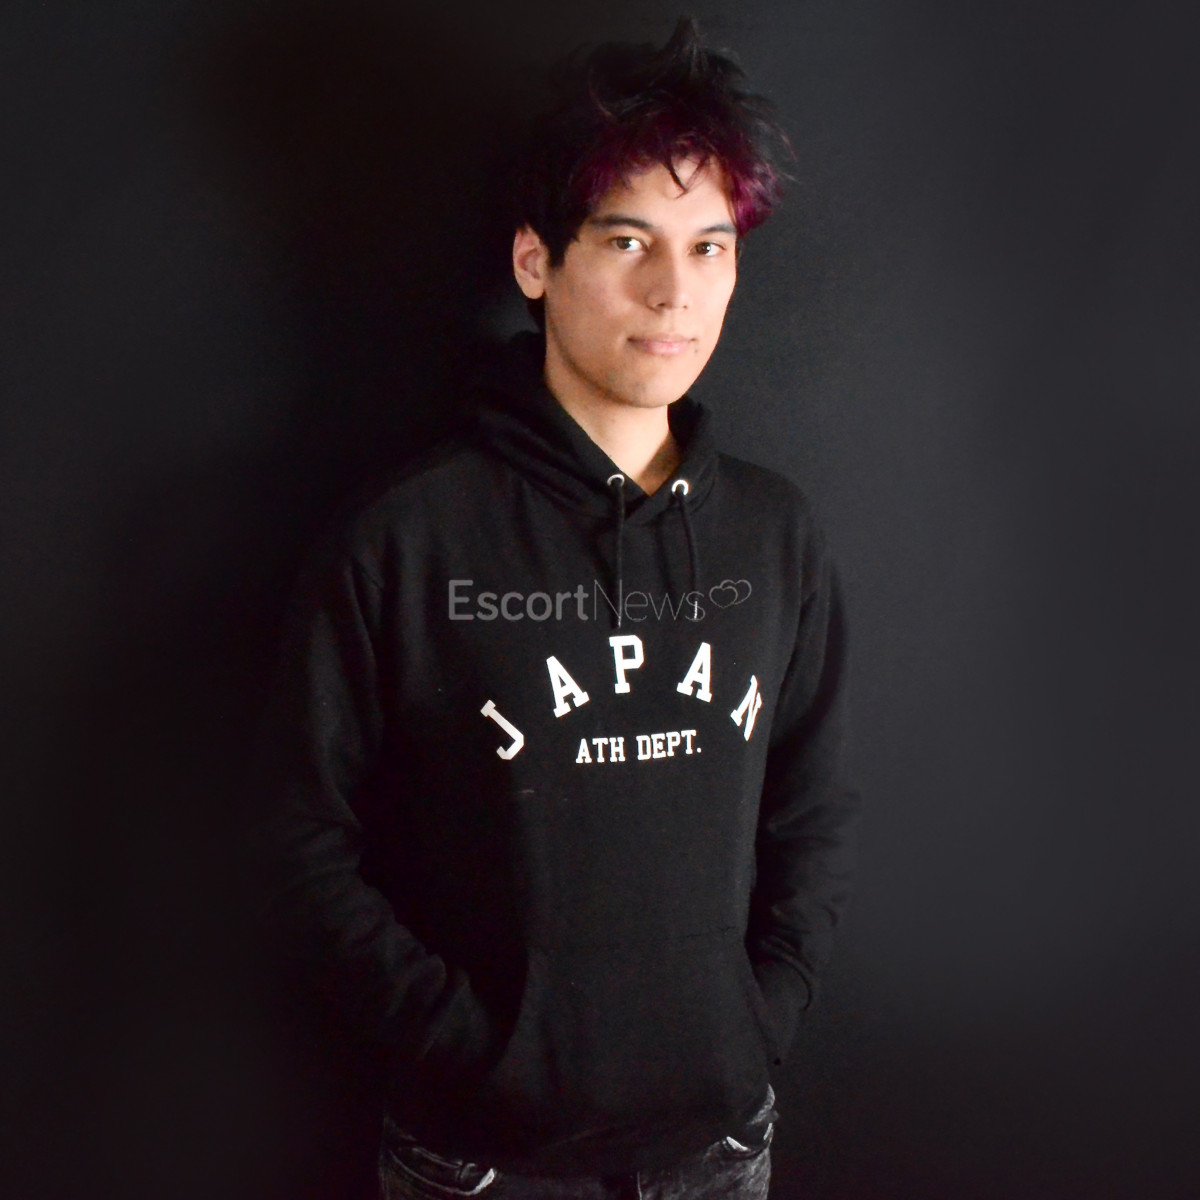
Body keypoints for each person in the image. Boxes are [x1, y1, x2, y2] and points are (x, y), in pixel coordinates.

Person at [256, 17, 859, 1199]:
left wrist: (759, 1021)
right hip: (481, 1162)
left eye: (709, 247)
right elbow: (299, 836)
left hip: (719, 1150)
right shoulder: (408, 540)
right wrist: (473, 1054)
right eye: (629, 240)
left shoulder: (774, 536)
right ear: (536, 262)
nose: (675, 292)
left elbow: (815, 812)